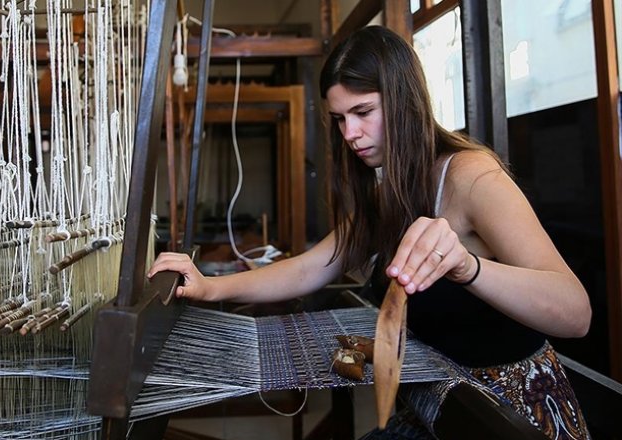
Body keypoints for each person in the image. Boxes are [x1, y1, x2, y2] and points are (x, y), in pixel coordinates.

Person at [148, 25, 592, 439]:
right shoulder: (392, 192)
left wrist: (467, 266)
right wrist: (210, 288)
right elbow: (311, 267)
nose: (351, 134)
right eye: (340, 119)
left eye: (363, 112)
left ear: (403, 101)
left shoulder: (471, 178)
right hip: (441, 405)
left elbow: (575, 313)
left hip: (510, 415)